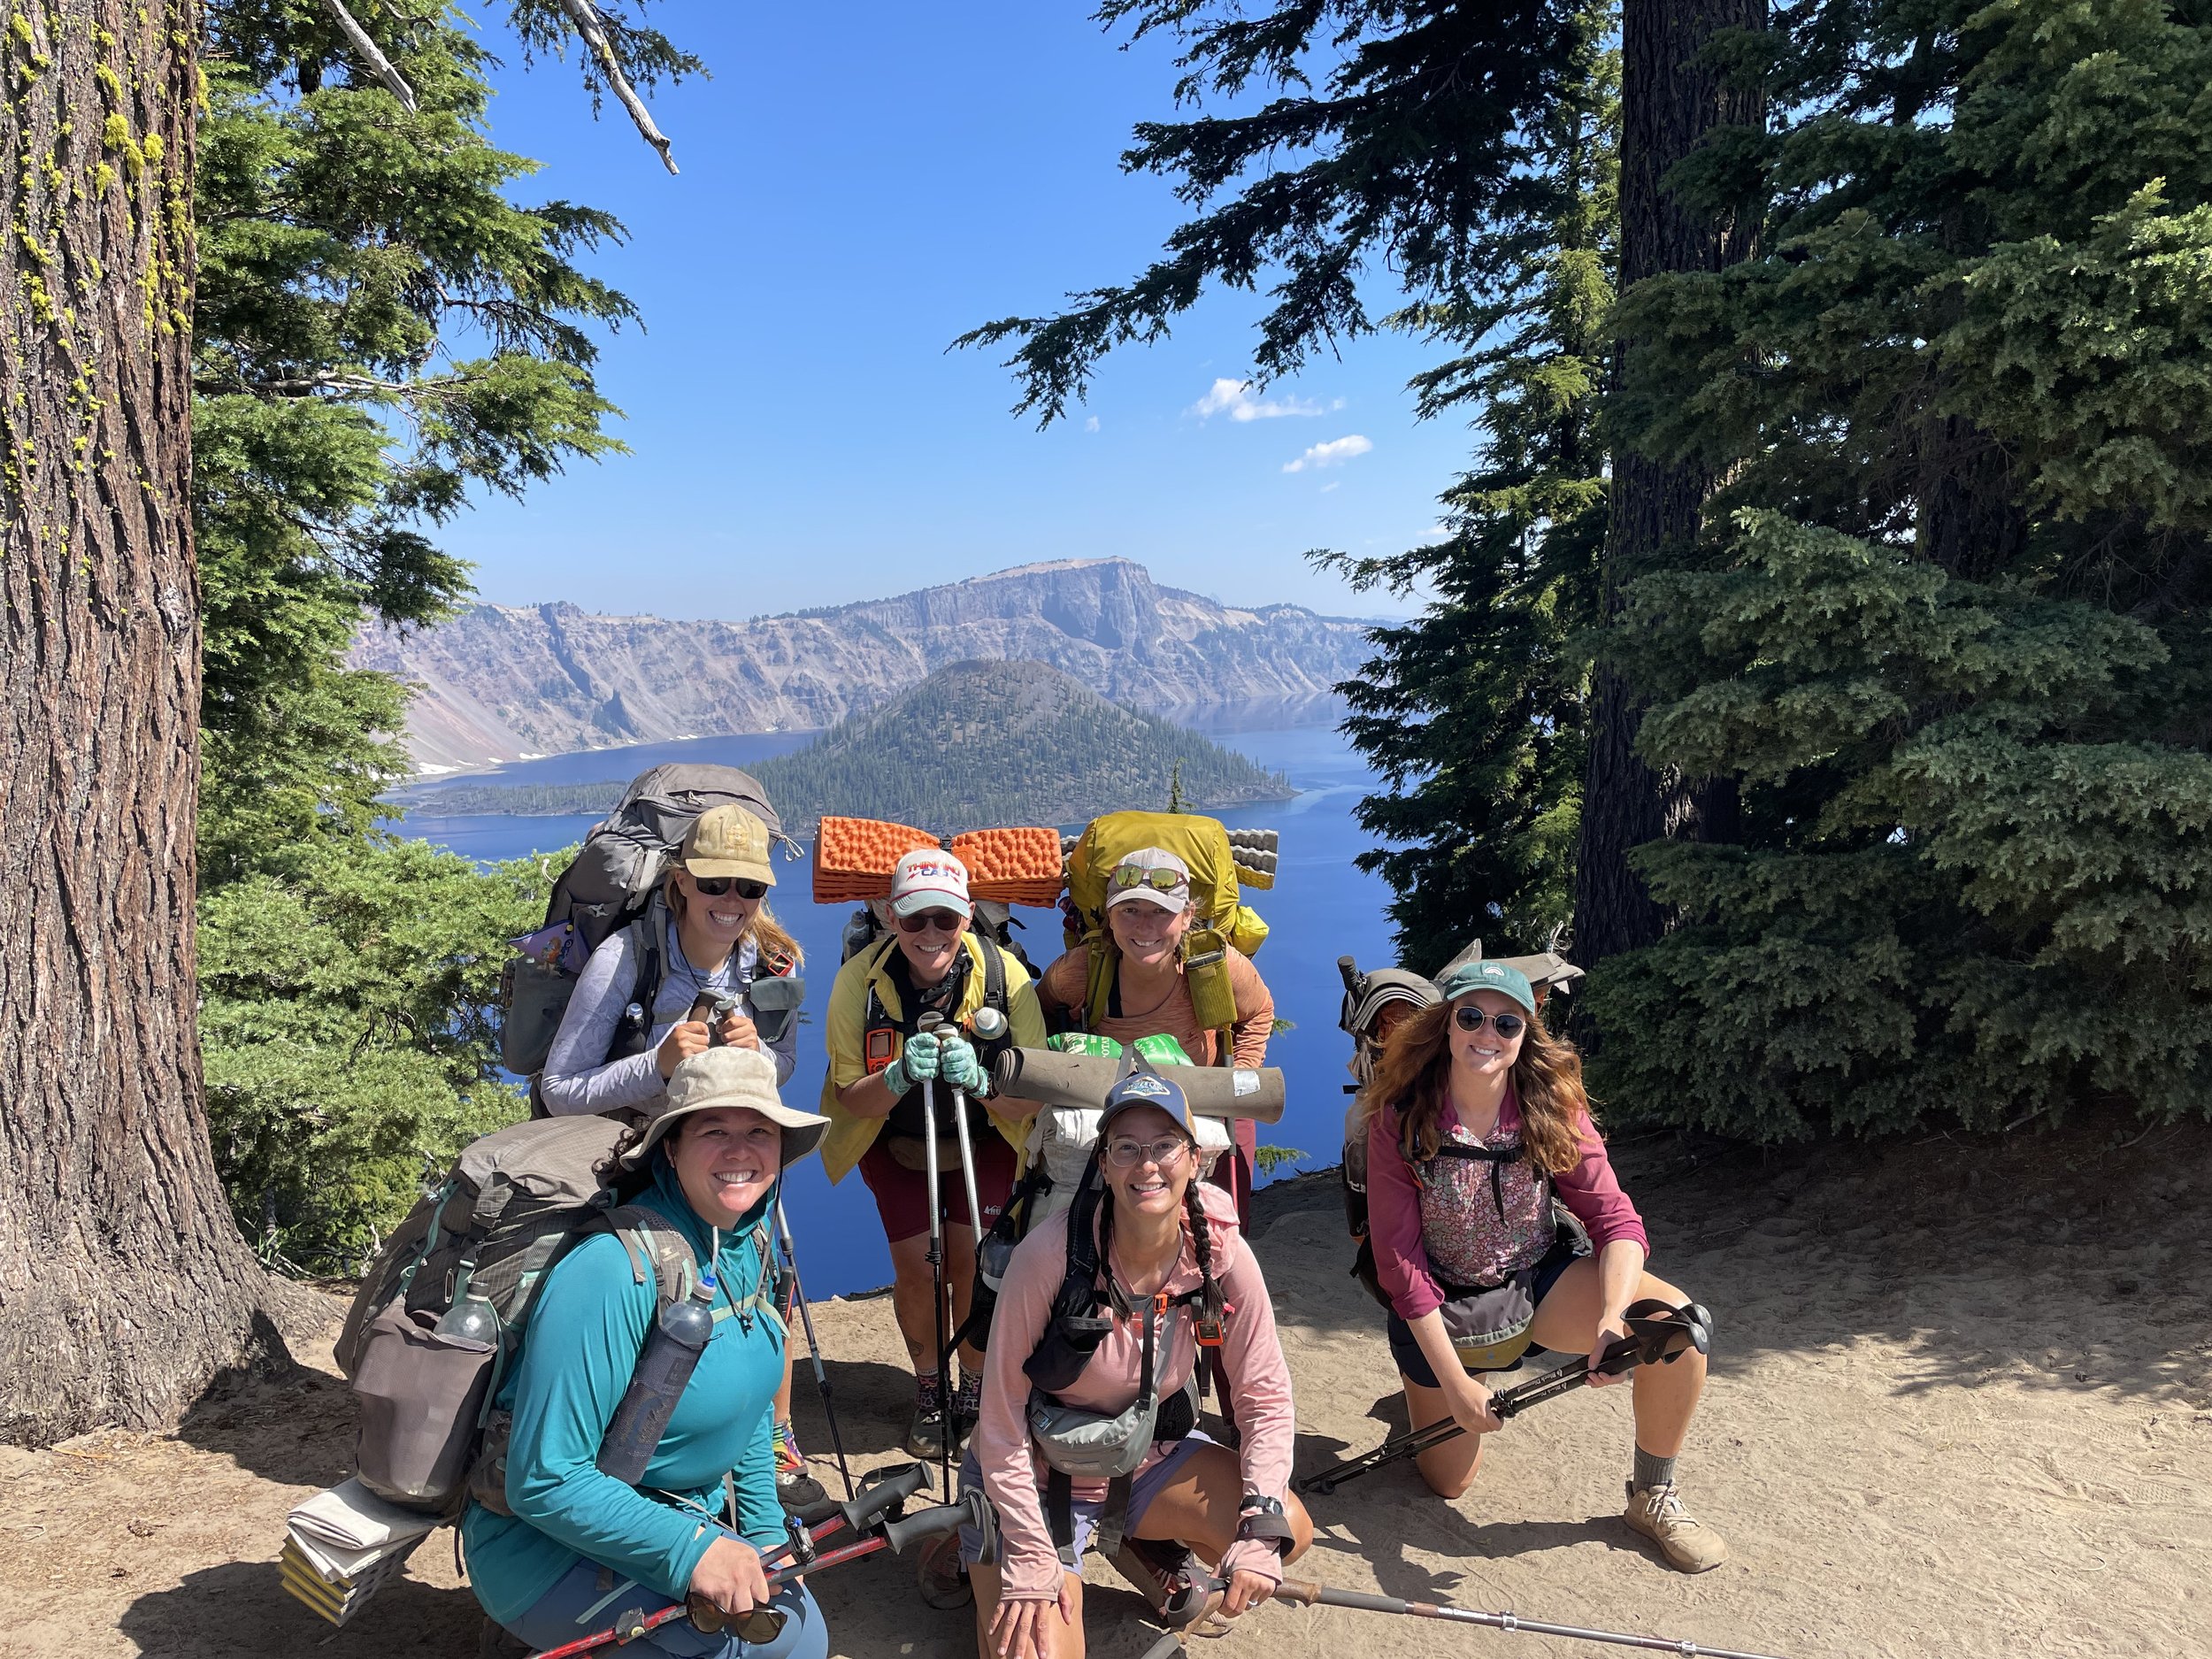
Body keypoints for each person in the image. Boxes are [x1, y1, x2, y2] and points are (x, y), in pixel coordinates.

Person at [462, 1045, 833, 1658]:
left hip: (670, 1515)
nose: (739, 1150)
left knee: (798, 1629)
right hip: (540, 1548)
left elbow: (748, 1407)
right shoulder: (614, 1267)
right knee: (762, 1650)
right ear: (671, 1148)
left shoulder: (751, 1249)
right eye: (714, 1130)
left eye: (759, 1132)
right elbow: (546, 1477)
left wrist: (765, 1532)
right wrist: (694, 1551)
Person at [1361, 959, 1727, 1572]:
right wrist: (1454, 1384)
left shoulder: (1550, 1105)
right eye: (1471, 1017)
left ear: (1525, 1033)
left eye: (1507, 1023)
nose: (1488, 1033)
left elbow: (1615, 1218)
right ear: (1446, 1025)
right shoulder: (1399, 1117)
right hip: (1443, 1307)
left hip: (1539, 1280)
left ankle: (1652, 1494)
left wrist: (1612, 1317)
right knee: (1451, 1482)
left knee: (1675, 1326)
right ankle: (1436, 1390)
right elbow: (1399, 1265)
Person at [962, 1065, 1311, 1659]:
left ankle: (1136, 1541)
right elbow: (999, 1419)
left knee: (1287, 1531)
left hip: (1146, 1459)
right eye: (1126, 1147)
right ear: (1104, 1165)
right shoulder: (1047, 1257)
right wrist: (1028, 1545)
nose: (1146, 1164)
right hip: (1040, 1476)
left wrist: (1259, 1521)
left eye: (1165, 1144)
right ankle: (987, 1541)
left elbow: (1265, 1395)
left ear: (1193, 1159)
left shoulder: (1220, 1252)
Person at [538, 802, 825, 1515]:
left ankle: (768, 1437)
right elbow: (560, 1087)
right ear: (682, 882)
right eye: (715, 883)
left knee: (765, 1289)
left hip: (729, 1157)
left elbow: (784, 1065)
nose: (732, 900)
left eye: (748, 887)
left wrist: (759, 1056)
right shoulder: (625, 957)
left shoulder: (774, 962)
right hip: (632, 1162)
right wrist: (656, 1064)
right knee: (646, 1301)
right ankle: (632, 1453)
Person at [821, 848, 1048, 1457]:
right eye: (915, 918)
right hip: (895, 1139)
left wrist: (983, 1083)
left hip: (986, 1137)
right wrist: (898, 1076)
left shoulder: (1004, 976)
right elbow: (850, 1095)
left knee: (974, 1265)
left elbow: (1032, 1095)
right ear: (891, 916)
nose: (930, 932)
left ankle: (972, 1387)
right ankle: (930, 1388)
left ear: (967, 916)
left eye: (945, 918)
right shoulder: (858, 982)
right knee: (919, 1271)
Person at [1035, 849, 1274, 1221]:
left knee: (1223, 1219)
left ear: (1187, 916)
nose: (1145, 927)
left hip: (1205, 1106)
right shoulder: (1080, 973)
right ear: (1110, 915)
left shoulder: (1215, 968)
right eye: (1130, 910)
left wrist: (1237, 1080)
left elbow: (1259, 1011)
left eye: (1162, 911)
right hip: (1116, 1116)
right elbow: (1041, 1019)